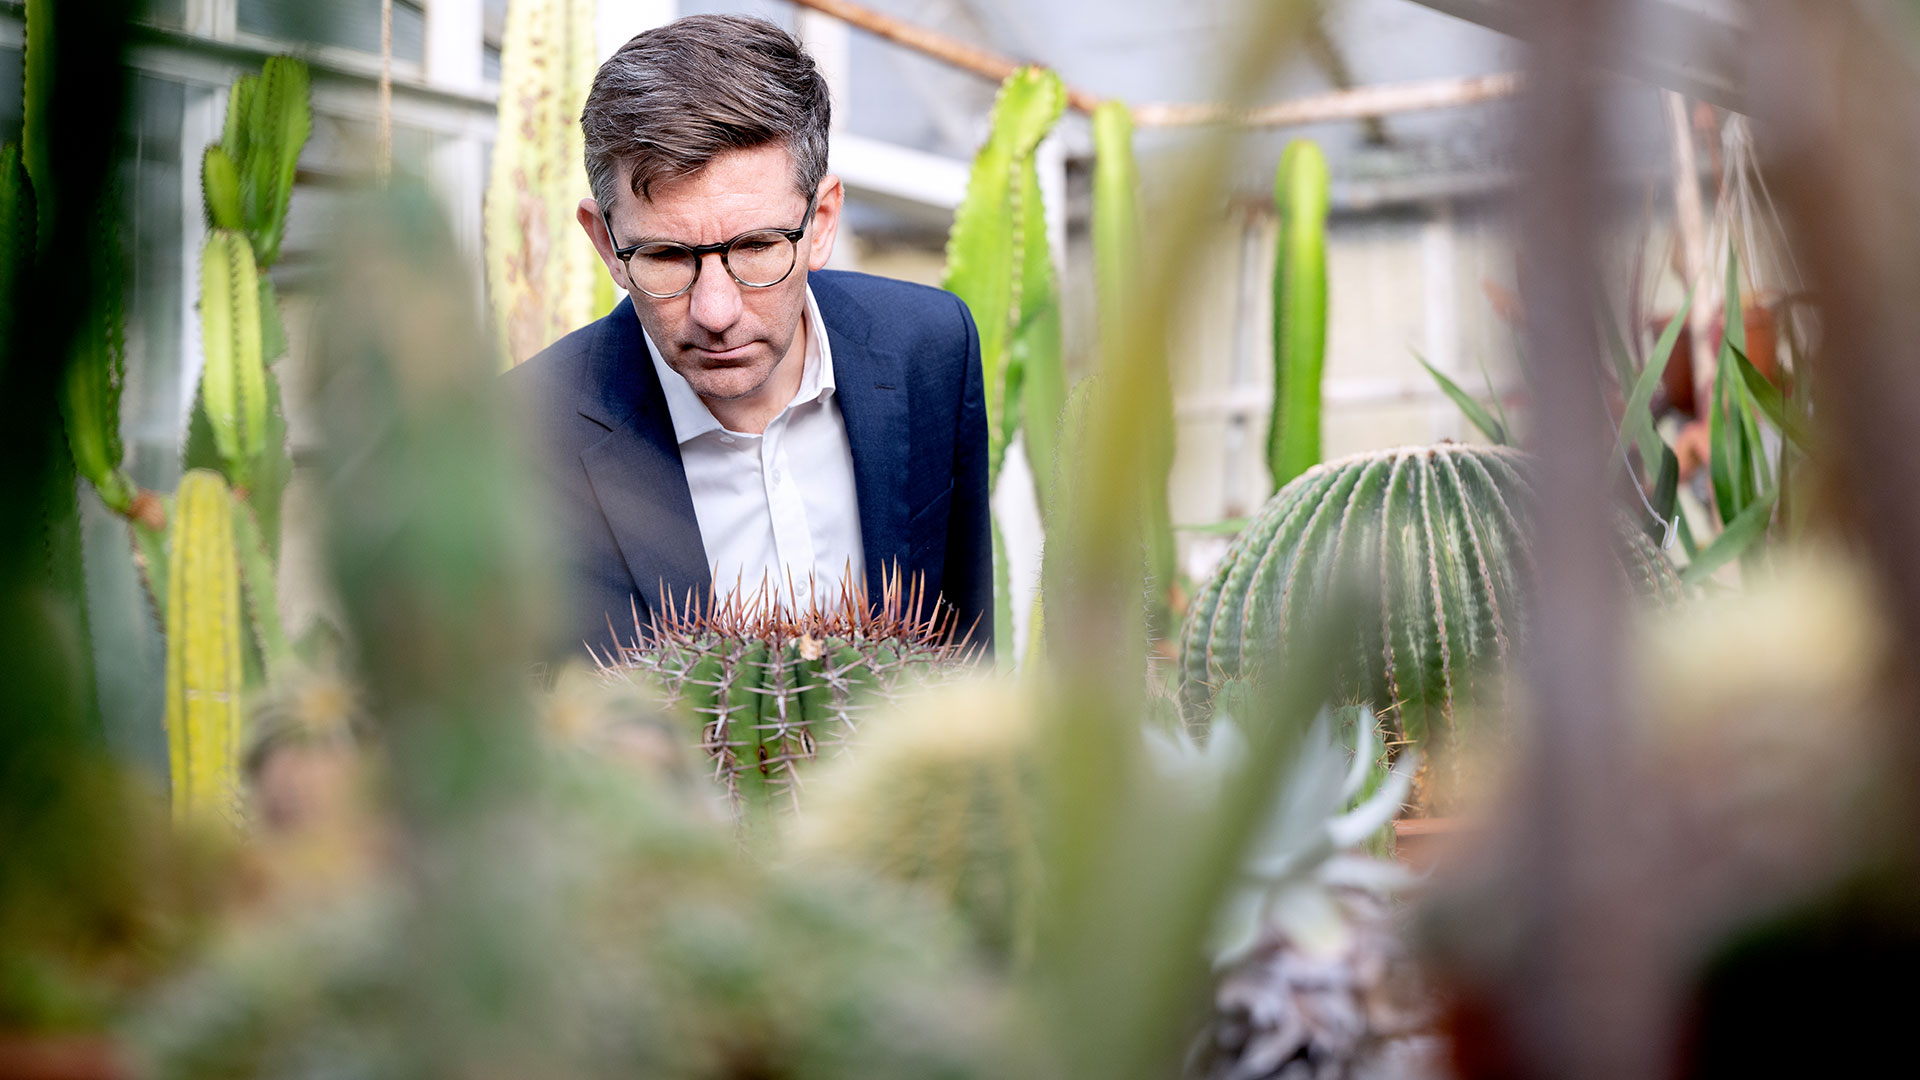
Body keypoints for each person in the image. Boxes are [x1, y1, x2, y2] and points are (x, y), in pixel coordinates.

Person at [505, 14, 990, 658]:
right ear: (605, 243)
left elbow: (963, 654)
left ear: (820, 222)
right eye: (667, 257)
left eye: (758, 246)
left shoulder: (930, 348)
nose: (715, 310)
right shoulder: (517, 433)